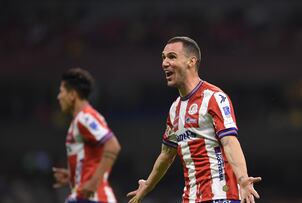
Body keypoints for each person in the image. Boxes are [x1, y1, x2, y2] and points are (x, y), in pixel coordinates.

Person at [127, 36, 261, 203]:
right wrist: (147, 185)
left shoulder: (214, 97)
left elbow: (229, 142)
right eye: (163, 58)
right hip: (190, 198)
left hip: (221, 196)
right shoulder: (175, 109)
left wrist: (242, 178)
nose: (165, 63)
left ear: (191, 61)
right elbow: (167, 154)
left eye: (172, 57)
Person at [53, 68, 121, 203]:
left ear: (72, 94)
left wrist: (93, 182)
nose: (58, 96)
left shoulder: (85, 117)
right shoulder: (80, 119)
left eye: (61, 91)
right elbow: (93, 156)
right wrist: (74, 175)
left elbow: (113, 145)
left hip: (94, 198)